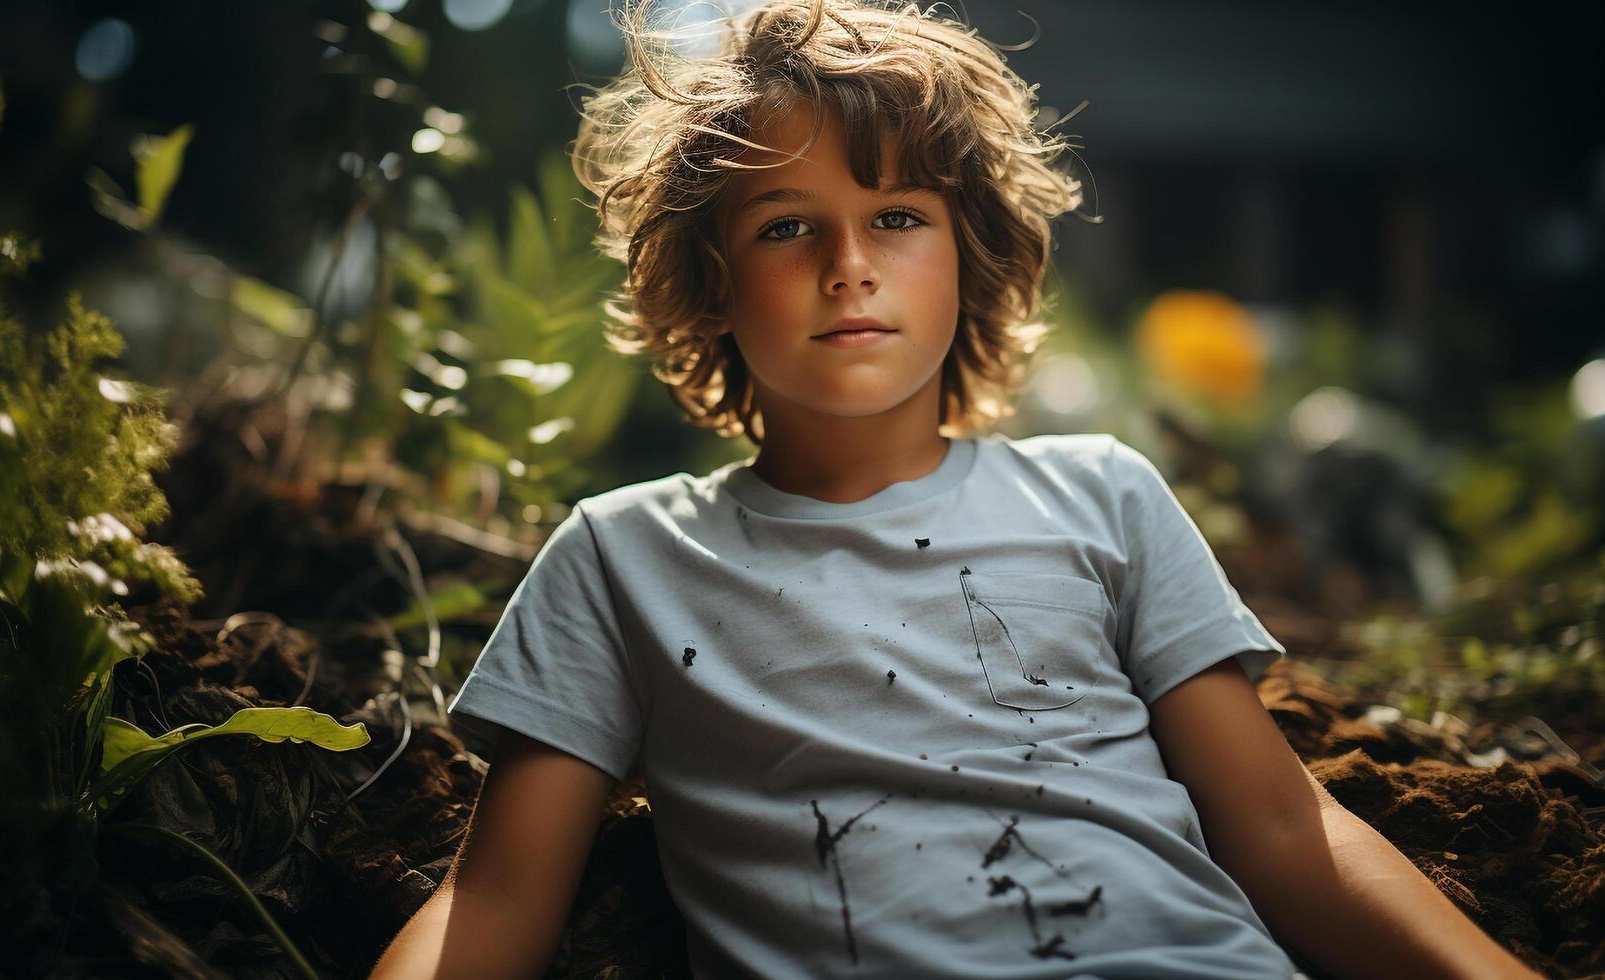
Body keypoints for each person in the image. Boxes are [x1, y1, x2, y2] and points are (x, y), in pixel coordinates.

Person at [372, 1, 1542, 977]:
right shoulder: (620, 556)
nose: (848, 265)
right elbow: (495, 903)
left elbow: (1285, 829)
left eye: (895, 217)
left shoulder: (1102, 498)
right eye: (787, 227)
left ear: (967, 253)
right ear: (712, 283)